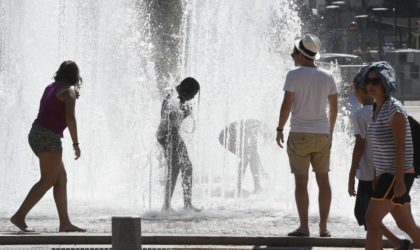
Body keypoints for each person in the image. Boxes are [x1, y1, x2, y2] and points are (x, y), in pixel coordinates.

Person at [10, 61, 85, 232]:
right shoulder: (69, 92)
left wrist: (71, 96)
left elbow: (52, 106)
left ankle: (65, 223)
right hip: (48, 137)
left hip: (36, 133)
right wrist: (75, 144)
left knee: (61, 178)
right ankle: (19, 216)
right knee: (48, 179)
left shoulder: (51, 87)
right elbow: (70, 118)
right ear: (75, 75)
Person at [276, 34, 338, 237]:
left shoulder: (293, 75)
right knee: (324, 181)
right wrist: (329, 131)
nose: (292, 55)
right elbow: (334, 108)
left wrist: (279, 128)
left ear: (302, 54)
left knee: (301, 183)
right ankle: (323, 227)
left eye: (294, 52)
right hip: (321, 134)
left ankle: (304, 227)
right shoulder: (328, 76)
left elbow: (287, 105)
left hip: (300, 134)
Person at [348, 66, 412, 250]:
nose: (370, 85)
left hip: (391, 174)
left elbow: (400, 147)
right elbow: (379, 147)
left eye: (376, 81)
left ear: (385, 83)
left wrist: (399, 180)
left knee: (369, 218)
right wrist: (377, 173)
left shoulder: (392, 110)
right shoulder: (377, 109)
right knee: (404, 224)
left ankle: (393, 244)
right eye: (368, 81)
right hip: (383, 174)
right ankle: (401, 245)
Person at [156, 77, 200, 211]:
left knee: (186, 167)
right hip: (167, 135)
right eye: (192, 94)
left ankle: (186, 204)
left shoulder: (180, 99)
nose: (192, 98)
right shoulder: (171, 98)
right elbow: (166, 117)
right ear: (186, 90)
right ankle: (167, 206)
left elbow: (180, 116)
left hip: (172, 135)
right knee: (177, 168)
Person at [218, 119, 268, 195]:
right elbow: (250, 153)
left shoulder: (256, 130)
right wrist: (263, 171)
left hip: (232, 135)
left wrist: (263, 171)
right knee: (246, 156)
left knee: (251, 155)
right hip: (225, 136)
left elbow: (255, 154)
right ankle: (239, 188)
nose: (264, 140)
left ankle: (257, 187)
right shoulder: (253, 127)